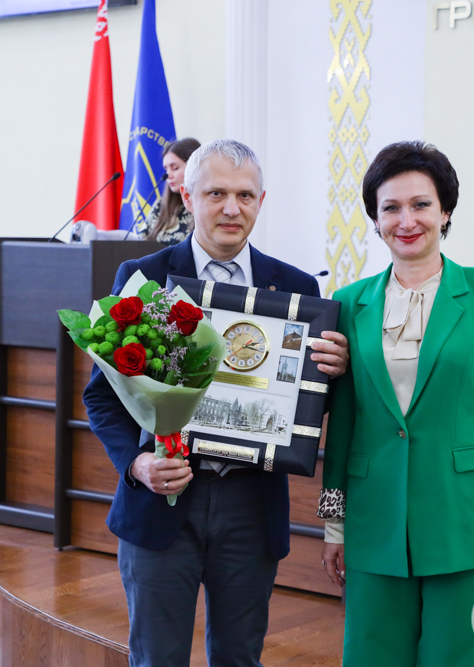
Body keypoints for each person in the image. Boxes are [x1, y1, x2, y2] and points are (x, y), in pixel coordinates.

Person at [83, 139, 350, 667]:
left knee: (239, 658)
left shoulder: (297, 290)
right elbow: (102, 397)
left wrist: (336, 373)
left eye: (246, 195)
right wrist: (137, 464)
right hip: (161, 502)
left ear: (261, 200)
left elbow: (308, 403)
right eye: (217, 193)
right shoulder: (144, 278)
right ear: (187, 194)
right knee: (157, 658)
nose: (232, 208)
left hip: (251, 508)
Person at [317, 141, 474, 666]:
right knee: (372, 657)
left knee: (460, 659)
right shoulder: (348, 303)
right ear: (375, 218)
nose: (406, 220)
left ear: (446, 211)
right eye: (390, 208)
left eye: (420, 204)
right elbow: (344, 422)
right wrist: (334, 523)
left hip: (464, 519)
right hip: (374, 521)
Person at [137, 137, 199, 245]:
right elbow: (139, 244)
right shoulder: (160, 206)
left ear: (194, 168)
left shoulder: (206, 206)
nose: (168, 175)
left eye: (174, 168)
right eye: (166, 169)